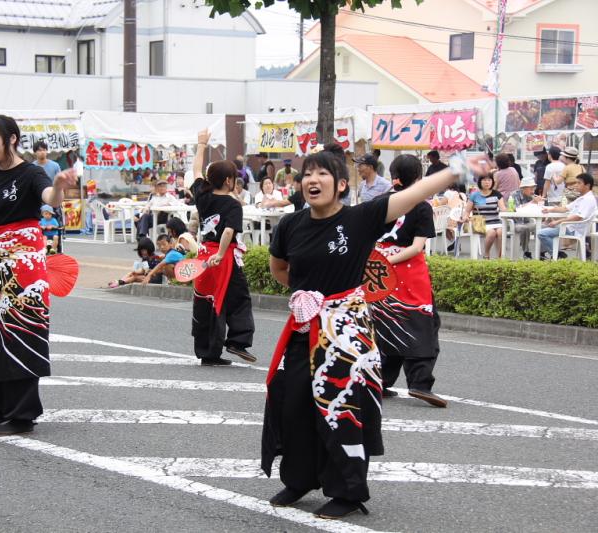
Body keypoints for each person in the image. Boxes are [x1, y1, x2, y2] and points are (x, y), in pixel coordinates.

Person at [261, 144, 486, 519]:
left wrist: (456, 170)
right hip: (304, 328)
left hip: (347, 332)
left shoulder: (361, 219)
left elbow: (415, 193)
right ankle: (299, 479)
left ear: (340, 185)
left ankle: (347, 491)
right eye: (307, 174)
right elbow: (279, 269)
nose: (313, 181)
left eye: (323, 174)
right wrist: (309, 298)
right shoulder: (290, 224)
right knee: (295, 405)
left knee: (343, 408)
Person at [0, 114, 77, 437]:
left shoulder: (31, 172)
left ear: (12, 138)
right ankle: (1, 406)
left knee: (20, 332)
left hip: (23, 268)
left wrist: (58, 187)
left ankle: (23, 414)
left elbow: (48, 199)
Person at [371, 155, 446, 408]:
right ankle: (419, 382)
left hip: (378, 271)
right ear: (418, 176)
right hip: (408, 272)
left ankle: (379, 380)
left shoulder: (379, 201)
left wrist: (382, 260)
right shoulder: (421, 205)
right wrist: (394, 260)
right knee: (423, 324)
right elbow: (417, 247)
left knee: (386, 323)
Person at [191, 129, 256, 366]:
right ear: (229, 181)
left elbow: (196, 171)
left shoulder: (203, 196)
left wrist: (201, 145)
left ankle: (208, 352)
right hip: (222, 257)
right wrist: (220, 254)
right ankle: (237, 340)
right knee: (238, 299)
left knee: (205, 299)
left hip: (203, 256)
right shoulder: (232, 204)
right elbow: (229, 231)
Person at [537, 173, 597, 259]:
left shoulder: (588, 200)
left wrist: (557, 221)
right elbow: (565, 208)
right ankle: (551, 254)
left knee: (542, 233)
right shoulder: (582, 198)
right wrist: (550, 210)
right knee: (543, 227)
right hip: (569, 227)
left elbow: (578, 217)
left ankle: (557, 255)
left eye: (579, 183)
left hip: (573, 229)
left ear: (587, 185)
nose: (576, 185)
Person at [462, 175, 506, 258]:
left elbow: (503, 208)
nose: (487, 182)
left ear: (492, 182)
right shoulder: (474, 195)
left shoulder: (497, 194)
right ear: (480, 182)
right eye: (484, 180)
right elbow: (467, 211)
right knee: (492, 233)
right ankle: (486, 254)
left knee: (501, 232)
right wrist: (465, 217)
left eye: (489, 180)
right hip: (479, 221)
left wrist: (508, 210)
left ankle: (500, 257)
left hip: (495, 221)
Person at [510, 177, 542, 259]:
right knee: (525, 228)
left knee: (542, 227)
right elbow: (517, 209)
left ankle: (542, 253)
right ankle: (526, 252)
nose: (533, 191)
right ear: (523, 188)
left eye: (533, 188)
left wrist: (540, 203)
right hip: (515, 222)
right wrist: (532, 202)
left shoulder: (531, 196)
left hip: (528, 221)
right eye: (530, 188)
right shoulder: (514, 195)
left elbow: (537, 210)